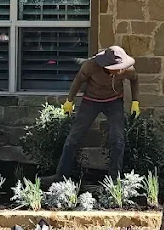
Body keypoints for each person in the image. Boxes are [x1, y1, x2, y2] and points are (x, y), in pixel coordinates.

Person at [57, 45, 140, 179]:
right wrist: (69, 100)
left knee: (118, 139)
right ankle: (60, 176)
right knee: (74, 137)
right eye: (115, 69)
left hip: (114, 102)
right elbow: (78, 80)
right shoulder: (91, 66)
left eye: (120, 67)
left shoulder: (126, 69)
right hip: (91, 101)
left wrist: (135, 102)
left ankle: (114, 180)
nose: (119, 71)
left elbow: (135, 80)